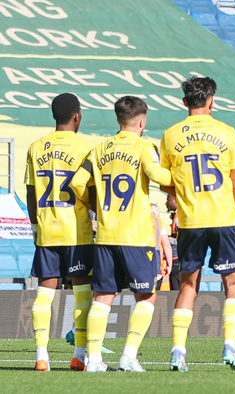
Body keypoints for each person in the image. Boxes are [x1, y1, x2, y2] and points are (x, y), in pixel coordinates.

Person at [71, 96, 173, 372]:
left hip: (105, 236)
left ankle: (93, 360)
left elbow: (77, 183)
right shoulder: (143, 147)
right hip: (136, 237)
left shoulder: (99, 149)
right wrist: (180, 175)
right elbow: (159, 176)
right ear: (142, 121)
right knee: (146, 297)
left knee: (103, 297)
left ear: (118, 119)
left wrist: (94, 205)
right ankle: (128, 356)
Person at [160, 76, 235, 372]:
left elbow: (165, 183)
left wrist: (184, 197)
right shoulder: (228, 133)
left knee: (188, 285)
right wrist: (230, 214)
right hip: (224, 219)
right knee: (232, 284)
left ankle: (178, 351)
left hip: (190, 221)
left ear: (185, 102)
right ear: (211, 101)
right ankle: (230, 348)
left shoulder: (170, 135)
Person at [24, 93, 94, 372]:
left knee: (44, 293)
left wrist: (34, 225)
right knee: (82, 294)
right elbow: (89, 190)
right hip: (77, 232)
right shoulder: (85, 148)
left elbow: (31, 192)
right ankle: (78, 355)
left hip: (47, 231)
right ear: (76, 116)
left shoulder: (35, 147)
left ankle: (42, 355)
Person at [151, 204, 173, 291]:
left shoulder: (137, 222)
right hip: (156, 264)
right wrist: (170, 264)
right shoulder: (158, 224)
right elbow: (166, 245)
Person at [166, 194, 181, 290]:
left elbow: (181, 236)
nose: (166, 203)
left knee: (177, 283)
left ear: (175, 201)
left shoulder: (179, 216)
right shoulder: (177, 215)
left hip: (177, 256)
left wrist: (167, 240)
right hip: (176, 255)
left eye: (168, 200)